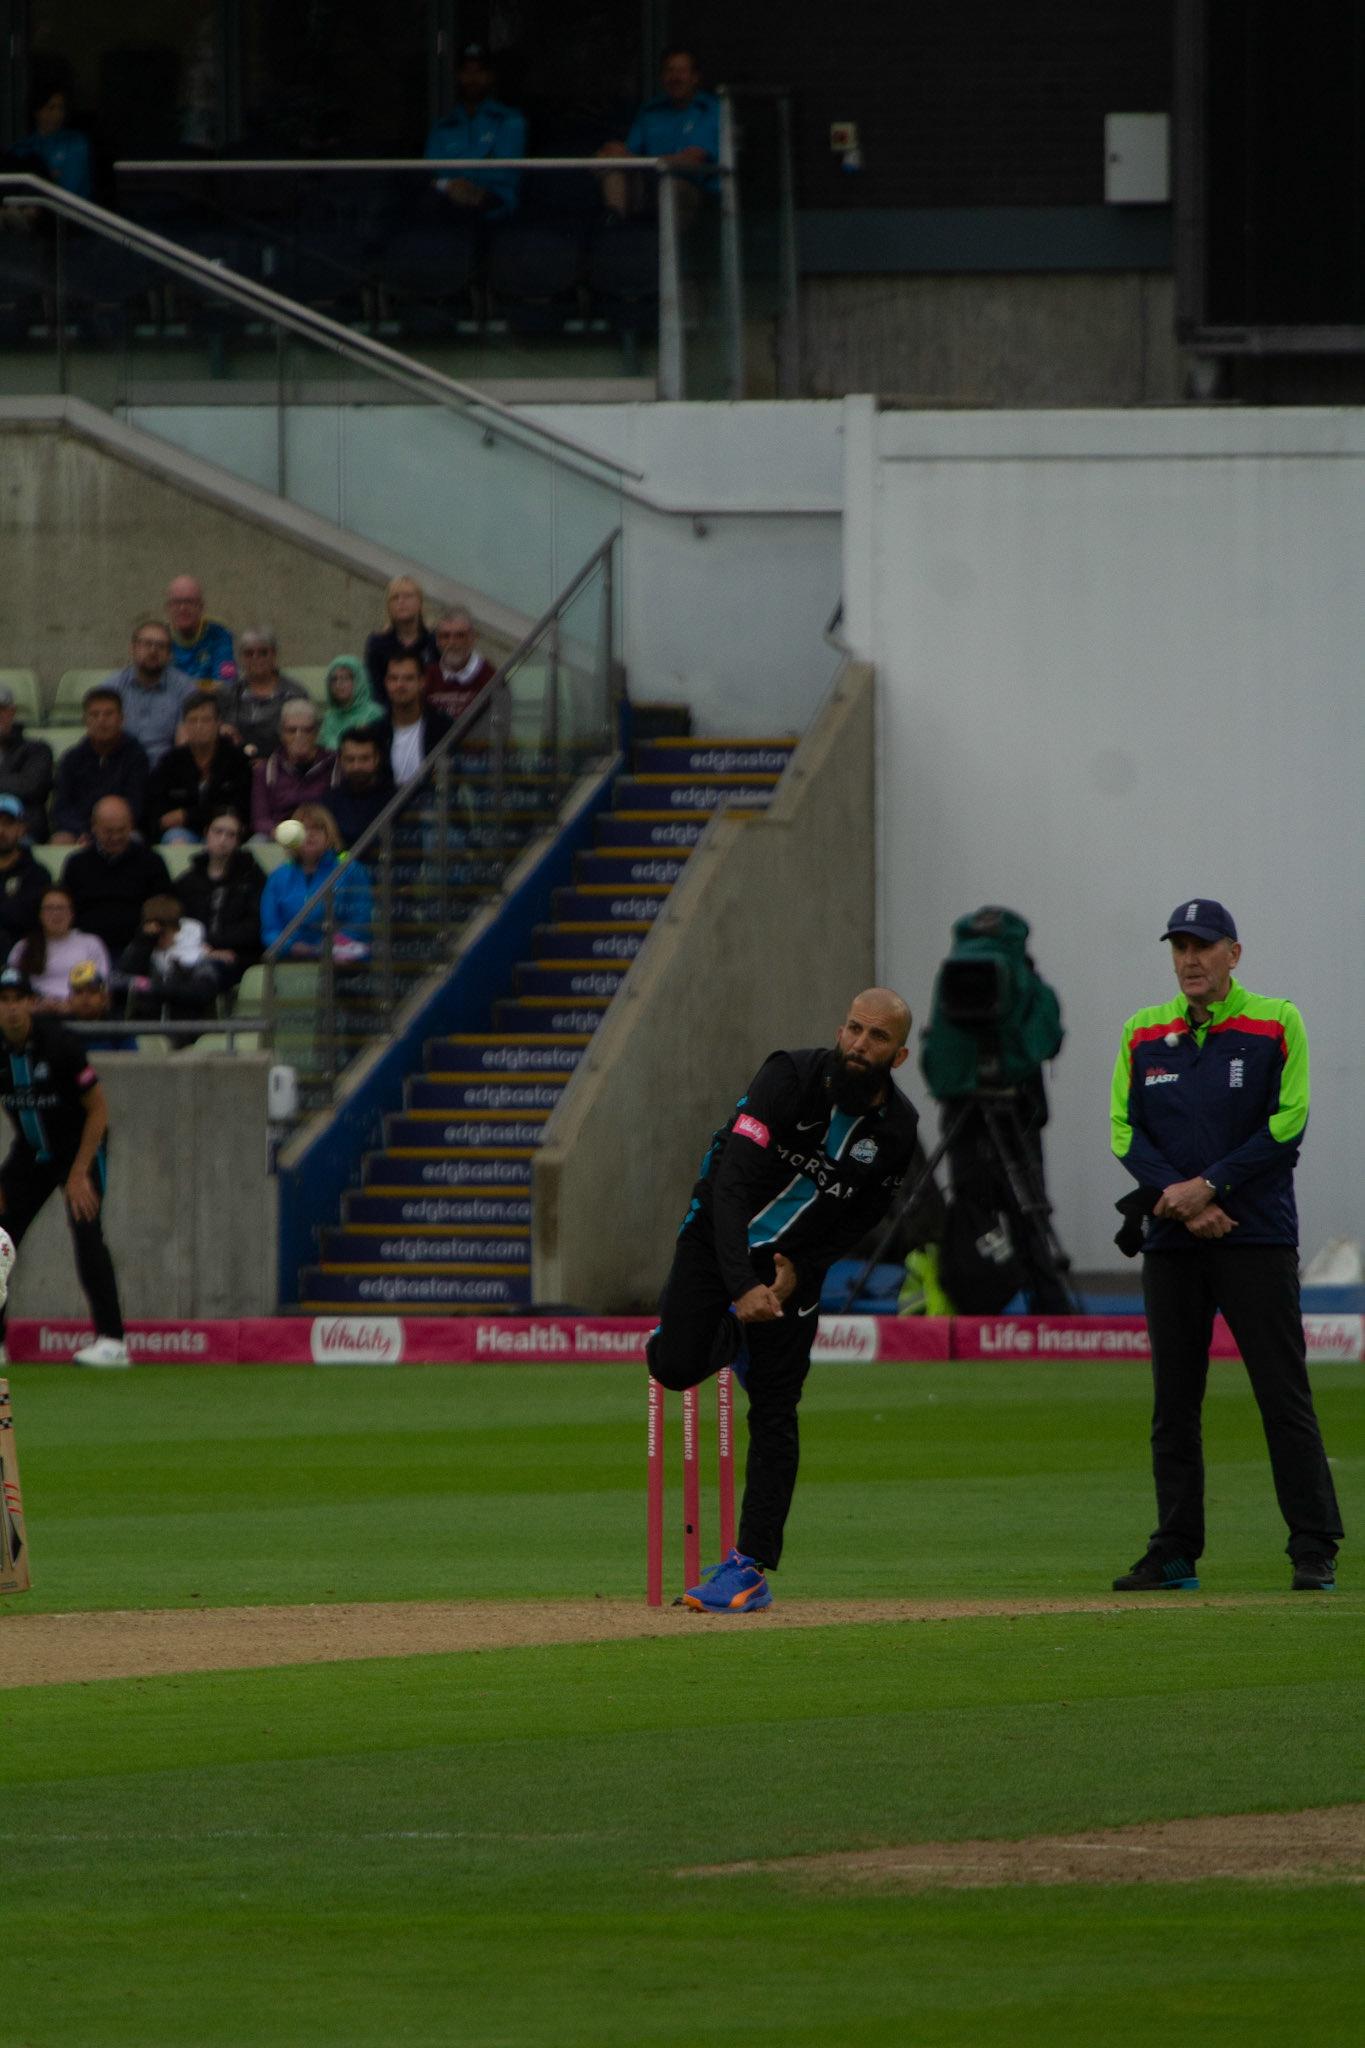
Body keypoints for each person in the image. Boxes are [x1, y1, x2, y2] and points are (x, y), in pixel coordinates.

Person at [647, 989, 921, 1612]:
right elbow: (733, 1179)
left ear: (898, 1055)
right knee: (671, 1364)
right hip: (717, 1234)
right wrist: (740, 1285)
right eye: (853, 1028)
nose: (859, 1044)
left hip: (792, 1266)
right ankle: (732, 1334)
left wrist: (800, 1270)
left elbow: (865, 1218)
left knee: (776, 1408)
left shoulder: (898, 1130)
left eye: (877, 1038)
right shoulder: (788, 1075)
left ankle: (748, 1568)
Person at [1110, 898, 1343, 1595]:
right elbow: (1125, 1133)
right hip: (1173, 1240)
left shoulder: (1276, 1021)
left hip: (1255, 1236)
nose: (1188, 959)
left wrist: (1207, 1187)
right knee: (1172, 1404)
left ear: (1232, 954)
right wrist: (1181, 1204)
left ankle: (1312, 1544)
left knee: (1281, 1394)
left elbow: (1288, 1123)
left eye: (1202, 946)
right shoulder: (1141, 1032)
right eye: (1178, 946)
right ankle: (1174, 1549)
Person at [0, 964, 128, 1370]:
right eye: (3, 1002)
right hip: (32, 1152)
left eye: (18, 1000)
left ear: (32, 1004)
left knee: (87, 1231)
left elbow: (99, 1110)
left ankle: (112, 1341)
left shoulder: (60, 1044)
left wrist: (78, 1173)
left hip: (79, 1149)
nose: (11, 1010)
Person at [597, 47, 719, 222]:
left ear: (695, 78)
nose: (675, 77)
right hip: (652, 185)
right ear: (662, 77)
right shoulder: (651, 110)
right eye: (670, 70)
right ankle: (614, 224)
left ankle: (675, 249)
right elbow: (627, 153)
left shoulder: (710, 109)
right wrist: (612, 152)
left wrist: (634, 159)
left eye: (682, 71)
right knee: (611, 164)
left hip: (696, 190)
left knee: (673, 188)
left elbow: (693, 159)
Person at [423, 44, 526, 221]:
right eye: (466, 72)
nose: (472, 79)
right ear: (458, 77)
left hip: (493, 201)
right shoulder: (443, 127)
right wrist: (450, 185)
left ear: (491, 77)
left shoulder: (510, 121)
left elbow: (503, 173)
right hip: (449, 200)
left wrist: (462, 184)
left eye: (479, 72)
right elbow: (430, 172)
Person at [60, 797, 172, 958]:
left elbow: (164, 905)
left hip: (140, 949)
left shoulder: (151, 861)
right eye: (108, 831)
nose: (115, 837)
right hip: (85, 950)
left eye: (121, 830)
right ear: (94, 827)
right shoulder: (77, 864)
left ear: (131, 825)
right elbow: (67, 908)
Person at [259, 806, 372, 959]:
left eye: (317, 829)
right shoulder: (277, 877)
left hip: (341, 961)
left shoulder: (351, 871)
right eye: (304, 829)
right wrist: (289, 946)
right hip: (289, 959)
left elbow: (360, 918)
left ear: (329, 834)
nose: (310, 834)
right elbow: (270, 928)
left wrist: (332, 945)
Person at [172, 809, 265, 985]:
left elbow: (254, 926)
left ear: (238, 840)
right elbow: (177, 922)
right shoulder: (188, 881)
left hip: (237, 958)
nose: (223, 840)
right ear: (207, 833)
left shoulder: (253, 878)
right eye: (218, 832)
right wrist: (201, 950)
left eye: (231, 835)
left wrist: (213, 946)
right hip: (193, 953)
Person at [145, 694, 251, 843]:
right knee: (175, 838)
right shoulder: (170, 761)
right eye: (193, 720)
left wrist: (187, 815)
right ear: (184, 725)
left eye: (206, 720)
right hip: (185, 832)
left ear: (218, 723)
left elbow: (239, 806)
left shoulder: (237, 759)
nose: (199, 726)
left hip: (228, 831)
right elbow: (157, 807)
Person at [50, 690, 151, 845]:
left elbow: (136, 805)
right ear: (85, 720)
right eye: (94, 714)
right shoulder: (72, 758)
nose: (101, 720)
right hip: (78, 833)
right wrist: (83, 832)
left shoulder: (136, 756)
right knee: (59, 841)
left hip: (121, 831)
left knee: (135, 841)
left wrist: (106, 831)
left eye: (108, 714)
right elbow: (62, 807)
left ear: (121, 719)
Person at [102, 619, 198, 769]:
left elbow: (184, 745)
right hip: (120, 768)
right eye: (147, 644)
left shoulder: (184, 688)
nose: (153, 650)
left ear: (169, 654)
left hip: (165, 771)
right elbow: (102, 738)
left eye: (161, 646)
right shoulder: (111, 687)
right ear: (133, 649)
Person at [117, 893, 223, 1025]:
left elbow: (204, 991)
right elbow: (119, 979)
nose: (160, 937)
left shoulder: (197, 955)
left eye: (164, 932)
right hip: (146, 1027)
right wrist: (145, 941)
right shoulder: (142, 950)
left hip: (185, 1027)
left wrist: (157, 987)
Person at [10, 887, 111, 1010]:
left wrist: (71, 1005)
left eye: (61, 908)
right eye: (49, 908)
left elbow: (102, 990)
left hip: (78, 1013)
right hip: (35, 1014)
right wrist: (38, 1005)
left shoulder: (91, 943)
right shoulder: (24, 947)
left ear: (72, 913)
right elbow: (12, 986)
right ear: (40, 914)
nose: (56, 914)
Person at [217, 630, 309, 760]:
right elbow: (215, 726)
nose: (256, 658)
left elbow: (304, 738)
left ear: (274, 655)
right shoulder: (227, 693)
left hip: (282, 766)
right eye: (249, 653)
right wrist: (221, 729)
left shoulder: (295, 694)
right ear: (241, 658)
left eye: (263, 652)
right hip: (235, 765)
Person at [251, 703, 335, 838]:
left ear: (317, 732)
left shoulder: (334, 765)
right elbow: (260, 819)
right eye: (291, 730)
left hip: (322, 835)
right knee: (257, 841)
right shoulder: (266, 769)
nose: (299, 736)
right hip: (280, 835)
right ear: (282, 733)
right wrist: (281, 834)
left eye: (307, 730)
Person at [375, 653, 452, 787]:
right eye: (393, 678)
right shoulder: (375, 732)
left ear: (422, 682)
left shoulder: (444, 727)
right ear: (386, 683)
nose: (400, 685)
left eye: (408, 678)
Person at [363, 577, 438, 702]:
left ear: (420, 602)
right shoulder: (377, 643)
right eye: (395, 598)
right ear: (388, 606)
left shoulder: (435, 640)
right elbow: (375, 690)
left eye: (408, 596)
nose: (401, 601)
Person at [11, 86, 92, 200]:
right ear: (37, 111)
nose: (58, 114)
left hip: (69, 212)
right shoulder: (20, 148)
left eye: (61, 108)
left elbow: (71, 186)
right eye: (51, 108)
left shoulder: (76, 143)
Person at [0, 683, 54, 842]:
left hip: (23, 834)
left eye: (1, 710)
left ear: (12, 712)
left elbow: (31, 786)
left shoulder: (37, 749)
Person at [424, 608, 497, 723]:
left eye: (460, 635)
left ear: (473, 638)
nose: (452, 642)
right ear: (437, 641)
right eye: (445, 636)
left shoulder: (491, 677)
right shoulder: (426, 676)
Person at [324, 730, 393, 850]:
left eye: (365, 759)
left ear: (377, 759)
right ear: (340, 760)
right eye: (350, 759)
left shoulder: (394, 798)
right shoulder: (328, 801)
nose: (357, 766)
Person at [0, 795, 48, 960]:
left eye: (8, 823)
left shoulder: (37, 874)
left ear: (22, 828)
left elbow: (27, 919)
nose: (1, 830)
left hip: (24, 958)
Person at [164, 575, 236, 686]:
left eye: (190, 602)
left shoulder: (220, 635)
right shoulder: (159, 639)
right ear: (168, 607)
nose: (183, 607)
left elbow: (227, 682)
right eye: (177, 602)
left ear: (201, 607)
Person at [318, 655, 380, 751]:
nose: (339, 683)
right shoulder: (329, 716)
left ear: (359, 680)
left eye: (346, 678)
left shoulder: (374, 714)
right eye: (334, 679)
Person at [65, 962, 123, 1052]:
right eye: (78, 992)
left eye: (92, 991)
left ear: (104, 999)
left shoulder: (119, 1030)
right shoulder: (62, 1029)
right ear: (70, 999)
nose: (85, 997)